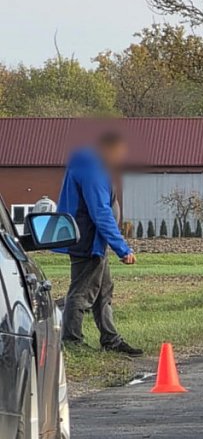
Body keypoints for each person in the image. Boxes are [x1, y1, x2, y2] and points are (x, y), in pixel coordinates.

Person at [57, 131, 143, 355]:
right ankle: (72, 341)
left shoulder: (89, 165)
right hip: (87, 241)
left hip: (93, 241)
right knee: (82, 292)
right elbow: (100, 212)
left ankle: (110, 339)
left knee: (104, 291)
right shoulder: (92, 169)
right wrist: (122, 249)